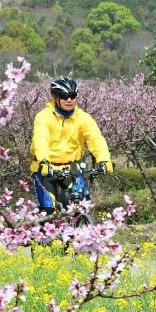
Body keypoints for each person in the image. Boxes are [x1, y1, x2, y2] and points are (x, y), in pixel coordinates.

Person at [30, 77, 112, 213]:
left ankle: (80, 230)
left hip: (71, 167)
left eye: (73, 96)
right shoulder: (43, 117)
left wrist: (104, 160)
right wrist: (44, 161)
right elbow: (41, 140)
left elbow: (96, 139)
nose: (69, 100)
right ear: (54, 97)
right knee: (47, 210)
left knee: (82, 204)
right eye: (64, 96)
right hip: (45, 168)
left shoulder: (83, 118)